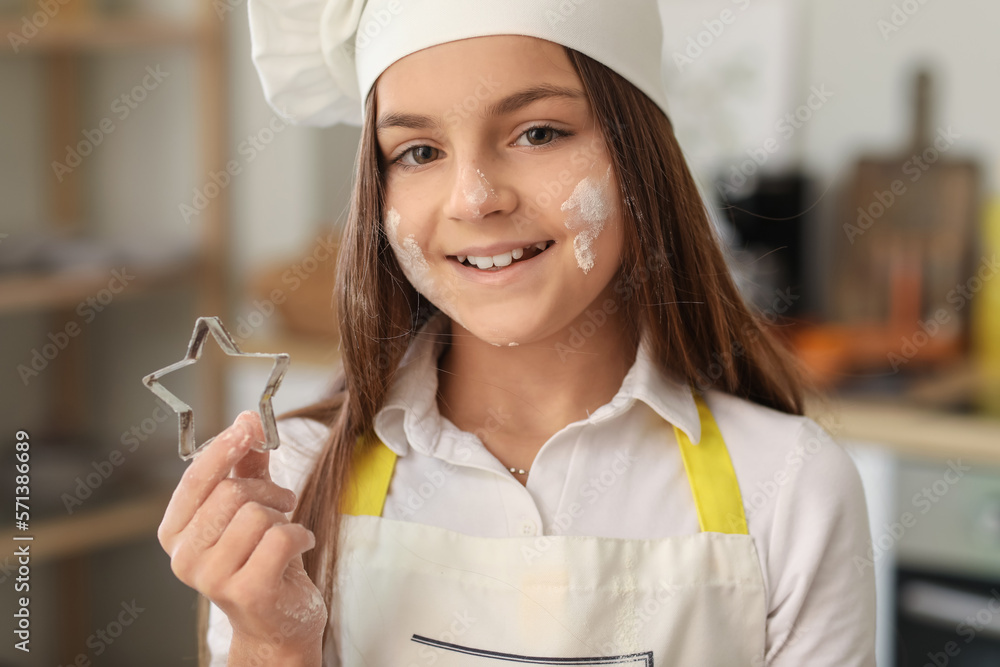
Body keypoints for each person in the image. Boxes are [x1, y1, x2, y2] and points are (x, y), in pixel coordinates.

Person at [156, 1, 877, 665]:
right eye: (418, 151)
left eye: (538, 133)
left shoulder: (791, 488)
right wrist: (270, 639)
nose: (474, 198)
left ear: (638, 157)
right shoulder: (297, 482)